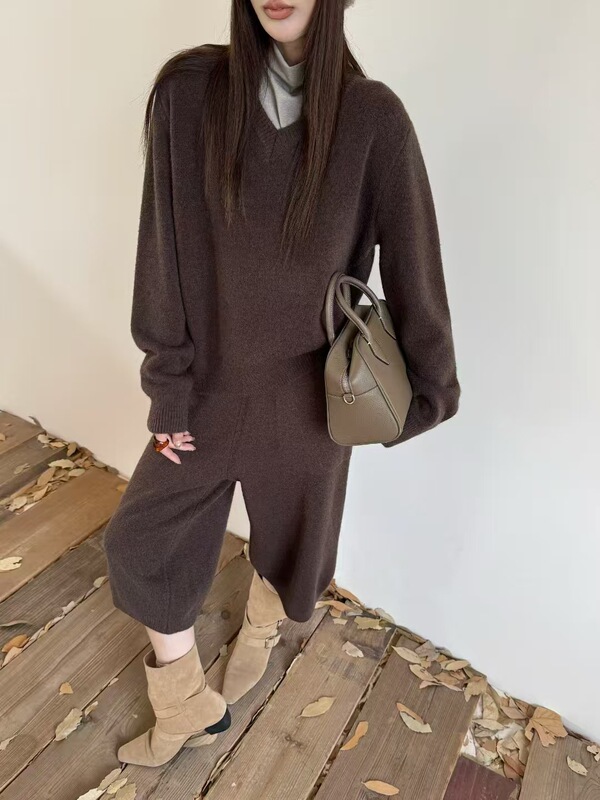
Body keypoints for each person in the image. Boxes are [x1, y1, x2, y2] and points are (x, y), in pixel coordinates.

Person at [103, 0, 461, 768]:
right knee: (140, 543)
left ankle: (262, 623)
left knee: (296, 553)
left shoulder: (373, 121)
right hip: (206, 390)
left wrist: (424, 395)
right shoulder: (188, 94)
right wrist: (168, 388)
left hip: (309, 403)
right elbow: (161, 253)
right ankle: (186, 706)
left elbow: (414, 262)